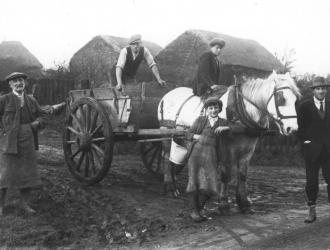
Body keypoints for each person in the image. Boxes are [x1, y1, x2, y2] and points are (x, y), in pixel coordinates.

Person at [0, 72, 53, 216]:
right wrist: (2, 132)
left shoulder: (31, 100)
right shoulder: (4, 99)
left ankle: (24, 204)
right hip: (8, 141)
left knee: (27, 173)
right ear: (10, 84)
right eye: (15, 81)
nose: (19, 83)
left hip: (27, 138)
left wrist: (35, 124)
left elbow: (43, 115)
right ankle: (1, 205)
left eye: (21, 80)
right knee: (4, 173)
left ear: (25, 83)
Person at [185, 97, 230, 222]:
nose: (213, 110)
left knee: (211, 183)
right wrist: (195, 135)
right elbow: (187, 134)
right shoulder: (200, 120)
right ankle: (195, 212)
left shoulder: (223, 122)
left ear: (220, 109)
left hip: (212, 154)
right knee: (194, 181)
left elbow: (235, 129)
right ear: (207, 110)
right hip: (196, 153)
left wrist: (226, 128)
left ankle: (199, 208)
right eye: (210, 108)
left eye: (216, 108)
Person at [297, 76, 330, 223]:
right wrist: (306, 142)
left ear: (326, 90)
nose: (321, 91)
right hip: (312, 151)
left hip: (329, 151)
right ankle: (311, 210)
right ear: (313, 91)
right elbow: (300, 129)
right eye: (318, 88)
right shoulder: (304, 106)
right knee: (311, 182)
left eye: (323, 88)